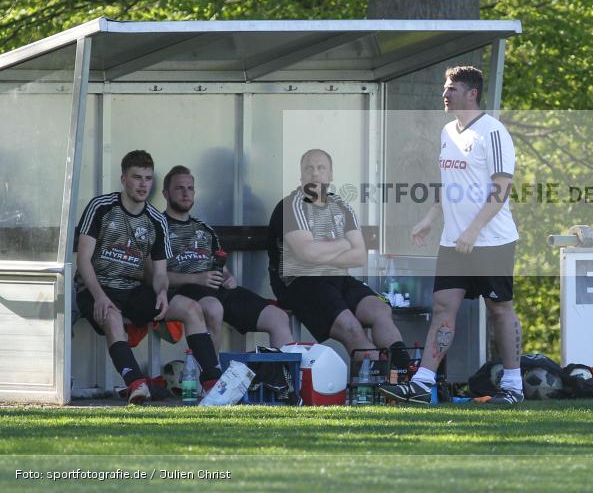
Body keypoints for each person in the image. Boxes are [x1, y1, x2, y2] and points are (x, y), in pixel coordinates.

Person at [379, 65, 524, 406]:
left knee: (499, 309)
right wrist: (430, 218)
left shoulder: (493, 132)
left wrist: (473, 230)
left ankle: (513, 386)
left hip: (491, 241)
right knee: (443, 307)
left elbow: (502, 188)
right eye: (446, 88)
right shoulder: (447, 132)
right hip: (454, 241)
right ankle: (422, 382)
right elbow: (449, 185)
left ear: (472, 93)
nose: (445, 94)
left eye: (452, 89)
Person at [74, 150, 222, 404]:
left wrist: (162, 292)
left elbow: (160, 273)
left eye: (148, 178)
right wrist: (99, 296)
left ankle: (213, 384)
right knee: (112, 316)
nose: (143, 184)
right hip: (97, 287)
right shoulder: (101, 206)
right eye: (137, 177)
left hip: (133, 289)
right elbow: (83, 259)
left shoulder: (155, 219)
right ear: (123, 179)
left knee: (191, 308)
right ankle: (136, 384)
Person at [267, 149, 412, 369]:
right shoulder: (291, 206)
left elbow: (359, 255)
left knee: (380, 310)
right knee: (351, 327)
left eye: (321, 168)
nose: (315, 173)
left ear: (331, 175)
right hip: (299, 283)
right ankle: (380, 378)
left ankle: (404, 370)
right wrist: (344, 244)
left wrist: (323, 252)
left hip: (337, 278)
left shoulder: (341, 206)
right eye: (309, 168)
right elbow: (308, 253)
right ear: (301, 175)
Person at [162, 165, 293, 350]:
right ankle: (210, 369)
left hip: (218, 289)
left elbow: (220, 266)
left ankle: (282, 369)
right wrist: (197, 278)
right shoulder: (158, 227)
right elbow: (154, 275)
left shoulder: (204, 228)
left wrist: (228, 277)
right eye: (179, 188)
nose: (186, 193)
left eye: (190, 188)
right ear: (165, 193)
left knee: (278, 317)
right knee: (213, 308)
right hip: (184, 290)